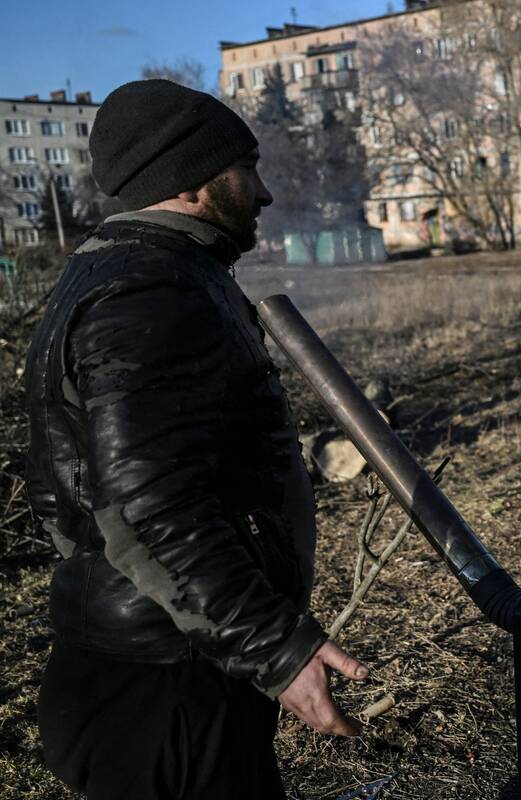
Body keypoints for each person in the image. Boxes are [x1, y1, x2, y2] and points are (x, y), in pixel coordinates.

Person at [25, 79, 366, 800]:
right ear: (193, 179)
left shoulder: (125, 274)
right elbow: (150, 506)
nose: (265, 193)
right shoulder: (151, 293)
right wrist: (273, 645)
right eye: (248, 167)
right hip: (166, 682)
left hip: (164, 659)